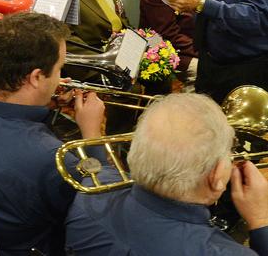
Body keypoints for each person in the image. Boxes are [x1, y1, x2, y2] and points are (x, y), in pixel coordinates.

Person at [0, 12, 106, 255]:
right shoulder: (53, 159)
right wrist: (93, 136)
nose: (60, 77)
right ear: (36, 77)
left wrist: (42, 103)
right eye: (59, 68)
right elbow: (102, 208)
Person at [65, 94, 268, 256]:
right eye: (228, 152)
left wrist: (91, 132)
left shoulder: (88, 197)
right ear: (215, 178)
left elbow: (103, 172)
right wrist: (261, 219)